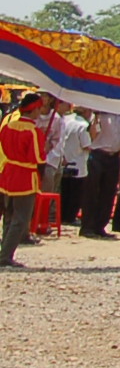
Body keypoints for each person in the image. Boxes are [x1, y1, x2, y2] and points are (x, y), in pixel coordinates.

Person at [1, 93, 51, 268]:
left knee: (9, 216)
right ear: (35, 109)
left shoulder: (8, 127)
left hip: (8, 173)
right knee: (21, 219)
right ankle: (6, 255)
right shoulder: (34, 131)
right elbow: (38, 158)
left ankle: (4, 251)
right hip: (25, 176)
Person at [77, 111, 120, 240]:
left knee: (109, 192)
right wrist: (97, 117)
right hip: (98, 154)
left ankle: (100, 226)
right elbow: (93, 135)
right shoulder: (97, 115)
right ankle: (87, 226)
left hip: (114, 156)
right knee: (92, 191)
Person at [45, 102, 89, 227]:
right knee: (74, 193)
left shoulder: (66, 121)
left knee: (63, 191)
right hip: (76, 162)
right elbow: (86, 145)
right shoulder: (83, 125)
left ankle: (59, 216)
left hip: (63, 159)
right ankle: (68, 217)